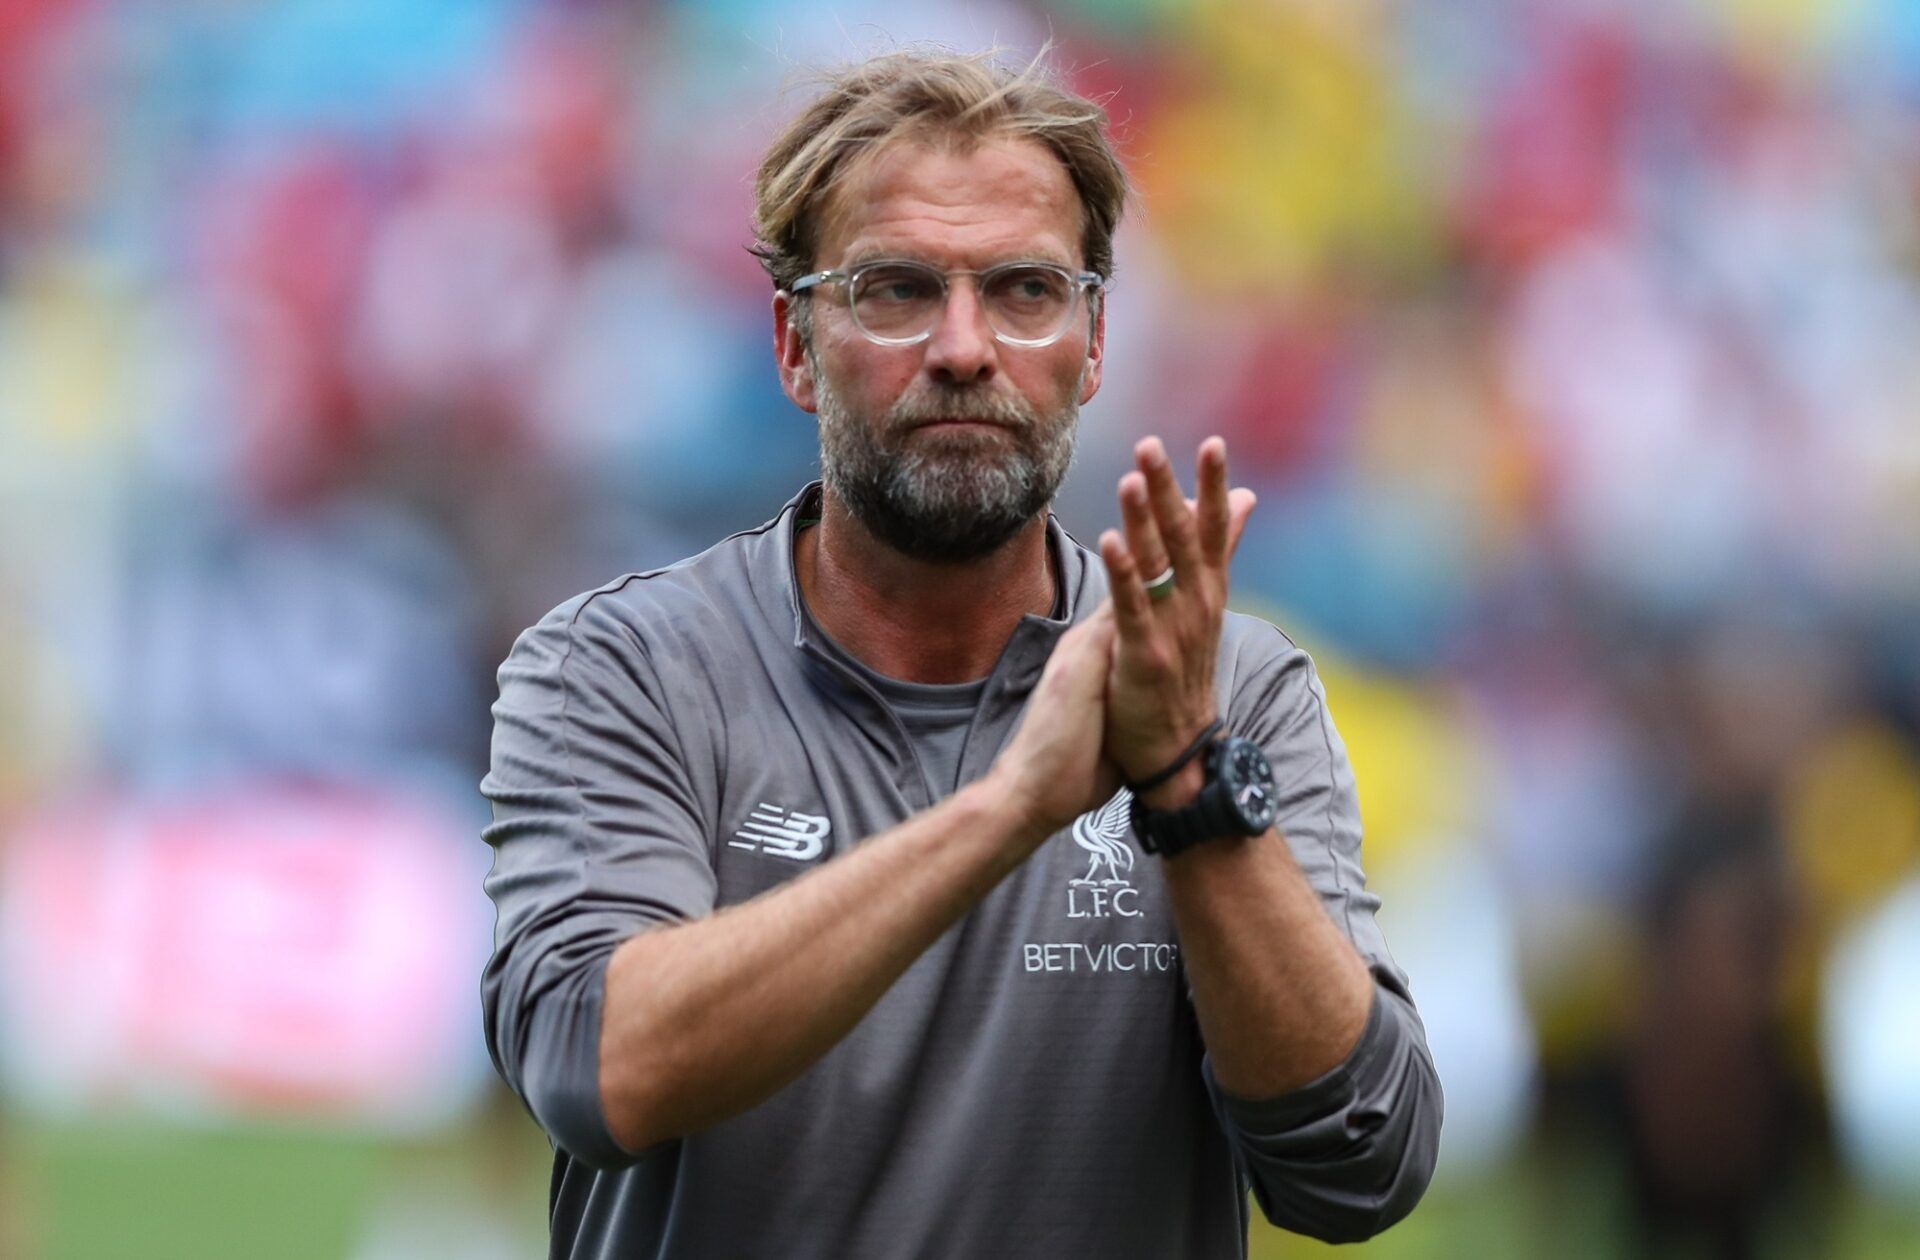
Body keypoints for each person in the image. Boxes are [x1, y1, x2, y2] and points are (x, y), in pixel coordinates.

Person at [481, 49, 1441, 1260]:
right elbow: (598, 1069)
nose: (964, 346)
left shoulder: (1229, 692)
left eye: (1026, 290)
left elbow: (1361, 1166)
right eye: (895, 289)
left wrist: (1191, 786)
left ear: (1094, 342)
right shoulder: (623, 669)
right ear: (793, 344)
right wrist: (1010, 808)